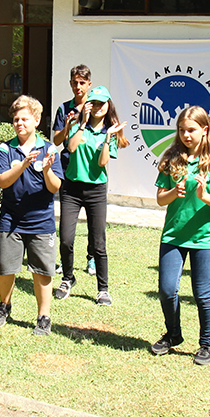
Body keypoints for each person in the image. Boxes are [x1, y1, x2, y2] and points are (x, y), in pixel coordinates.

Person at [150, 107, 210, 365]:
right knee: (166, 290)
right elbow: (160, 199)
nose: (186, 135)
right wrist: (174, 192)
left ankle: (207, 345)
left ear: (205, 130)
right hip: (173, 237)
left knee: (202, 293)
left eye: (191, 130)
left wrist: (204, 196)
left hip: (203, 240)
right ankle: (173, 334)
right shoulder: (171, 159)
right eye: (181, 130)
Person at [0, 95, 63, 334]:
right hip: (11, 219)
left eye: (24, 119)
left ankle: (44, 316)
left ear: (37, 120)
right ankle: (4, 306)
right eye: (16, 119)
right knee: (5, 266)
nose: (19, 123)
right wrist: (22, 165)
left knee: (43, 270)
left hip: (41, 221)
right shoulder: (5, 149)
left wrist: (47, 169)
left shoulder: (49, 149)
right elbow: (2, 181)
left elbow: (54, 187)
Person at [55, 84, 127, 305]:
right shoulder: (78, 125)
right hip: (71, 188)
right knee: (66, 239)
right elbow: (72, 148)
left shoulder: (111, 131)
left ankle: (103, 289)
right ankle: (68, 279)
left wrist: (107, 138)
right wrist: (82, 124)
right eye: (93, 103)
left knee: (98, 242)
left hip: (96, 190)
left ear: (108, 106)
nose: (97, 107)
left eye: (101, 103)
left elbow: (102, 162)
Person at [50, 64, 96, 275]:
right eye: (74, 83)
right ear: (70, 84)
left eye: (82, 83)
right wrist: (68, 126)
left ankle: (92, 257)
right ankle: (65, 260)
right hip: (68, 170)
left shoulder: (97, 107)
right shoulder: (63, 108)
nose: (78, 87)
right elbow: (57, 140)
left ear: (89, 84)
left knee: (95, 224)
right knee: (68, 224)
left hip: (90, 170)